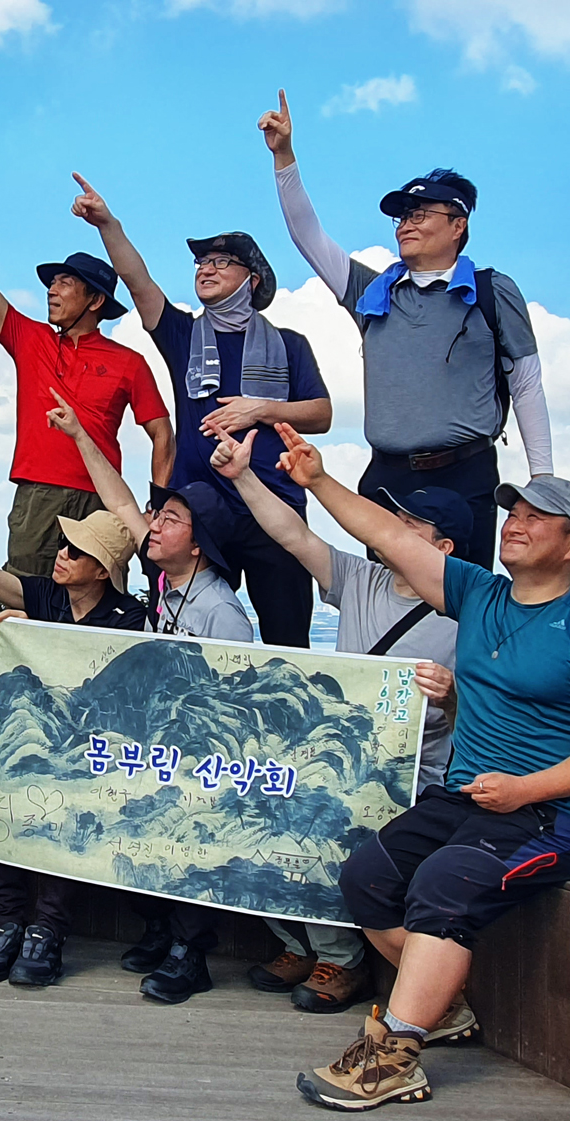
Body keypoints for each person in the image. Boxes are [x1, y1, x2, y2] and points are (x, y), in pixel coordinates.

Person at [274, 437, 570, 1111]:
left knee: (442, 884)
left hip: (552, 816)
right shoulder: (478, 594)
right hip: (469, 798)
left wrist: (526, 788)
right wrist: (319, 479)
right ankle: (440, 1007)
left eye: (537, 518)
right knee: (365, 876)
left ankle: (395, 1055)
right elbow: (386, 532)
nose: (517, 523)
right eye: (514, 512)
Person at [208, 423, 462, 1015]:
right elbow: (293, 535)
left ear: (443, 547)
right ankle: (297, 940)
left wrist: (451, 696)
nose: (388, 528)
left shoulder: (467, 612)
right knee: (247, 808)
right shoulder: (363, 579)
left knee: (319, 829)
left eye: (408, 523)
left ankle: (340, 964)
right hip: (339, 760)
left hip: (413, 777)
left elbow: (486, 707)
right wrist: (242, 476)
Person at [260, 89, 552, 569]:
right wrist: (284, 156)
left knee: (461, 611)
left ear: (458, 225)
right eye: (402, 216)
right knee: (384, 608)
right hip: (386, 479)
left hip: (465, 475)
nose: (404, 225)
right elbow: (306, 235)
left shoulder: (493, 291)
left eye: (420, 214)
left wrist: (541, 483)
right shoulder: (372, 293)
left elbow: (526, 384)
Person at [45, 390, 253, 1004]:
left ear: (200, 543)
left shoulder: (222, 611)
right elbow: (118, 501)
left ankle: (193, 951)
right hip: (161, 743)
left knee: (188, 828)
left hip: (203, 759)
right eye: (157, 519)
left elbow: (232, 698)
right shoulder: (169, 579)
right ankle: (163, 929)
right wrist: (83, 435)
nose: (153, 525)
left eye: (170, 520)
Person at [70, 172, 330, 648]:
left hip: (275, 510)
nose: (205, 269)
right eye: (200, 262)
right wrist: (108, 224)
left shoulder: (290, 345)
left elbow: (323, 413)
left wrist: (259, 409)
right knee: (182, 639)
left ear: (251, 279)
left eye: (221, 262)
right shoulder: (184, 335)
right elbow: (138, 281)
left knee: (287, 645)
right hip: (199, 518)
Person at [0, 447, 144, 987]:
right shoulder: (45, 592)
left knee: (66, 816)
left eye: (76, 550)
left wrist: (38, 632)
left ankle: (46, 933)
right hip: (26, 740)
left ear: (102, 570)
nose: (62, 553)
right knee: (2, 805)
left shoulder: (129, 617)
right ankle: (3, 926)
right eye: (64, 545)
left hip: (90, 757)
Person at [0, 186, 174, 575]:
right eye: (52, 282)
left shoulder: (129, 362)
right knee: (27, 596)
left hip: (104, 498)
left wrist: (160, 504)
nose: (51, 289)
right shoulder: (30, 338)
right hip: (37, 492)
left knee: (97, 604)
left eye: (65, 283)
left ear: (95, 301)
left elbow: (162, 433)